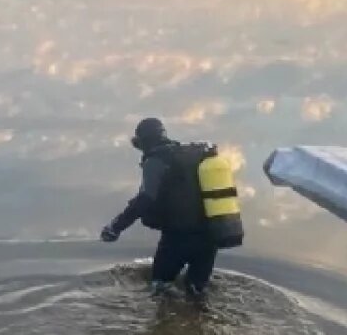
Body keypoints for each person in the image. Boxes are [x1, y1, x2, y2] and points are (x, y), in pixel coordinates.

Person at [100, 118, 243, 296]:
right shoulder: (192, 156)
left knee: (160, 288)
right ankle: (200, 320)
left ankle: (167, 319)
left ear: (143, 141)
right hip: (209, 237)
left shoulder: (155, 162)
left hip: (178, 238)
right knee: (197, 292)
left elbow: (145, 199)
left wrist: (115, 227)